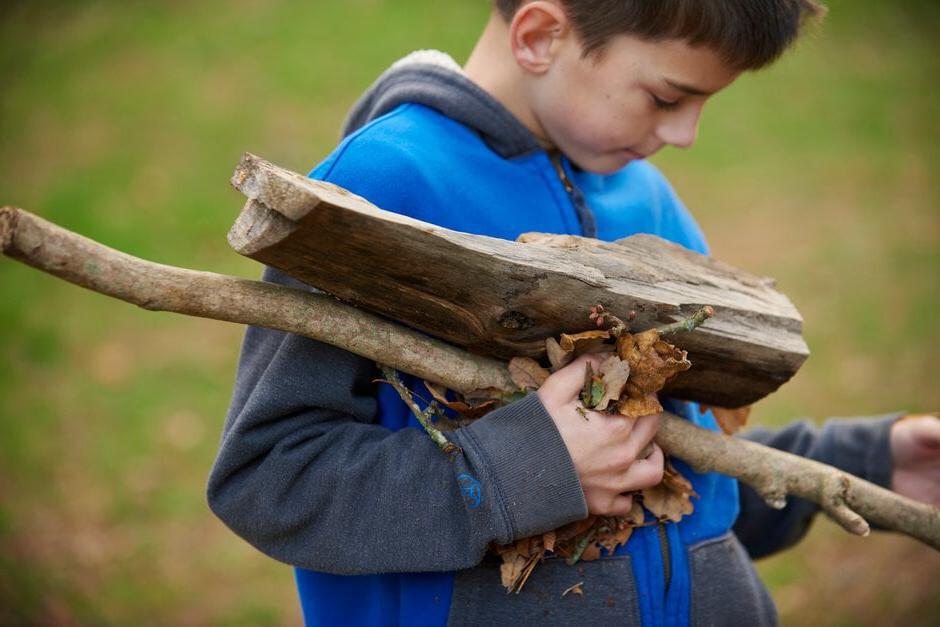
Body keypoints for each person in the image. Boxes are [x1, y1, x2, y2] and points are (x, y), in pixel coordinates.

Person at [207, 2, 940, 625]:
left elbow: (682, 476)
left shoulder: (649, 205)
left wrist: (866, 463)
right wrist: (527, 469)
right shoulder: (376, 195)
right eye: (665, 98)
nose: (685, 135)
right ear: (539, 37)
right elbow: (271, 477)